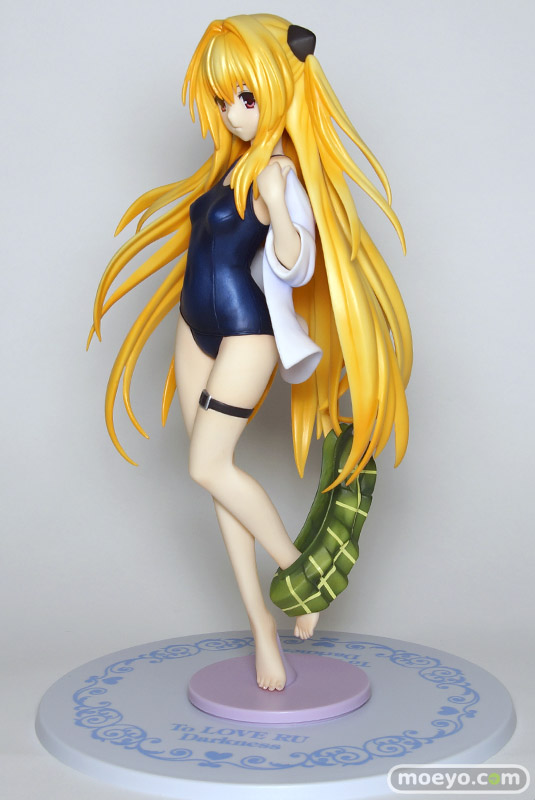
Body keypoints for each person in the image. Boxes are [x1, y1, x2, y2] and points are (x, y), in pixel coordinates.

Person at [89, 13, 412, 693]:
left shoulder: (278, 172)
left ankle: (301, 574)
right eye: (221, 99)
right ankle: (263, 630)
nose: (232, 113)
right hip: (193, 328)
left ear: (277, 89)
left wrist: (280, 208)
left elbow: (295, 263)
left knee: (206, 465)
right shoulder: (229, 166)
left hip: (245, 333)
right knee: (215, 482)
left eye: (245, 96)